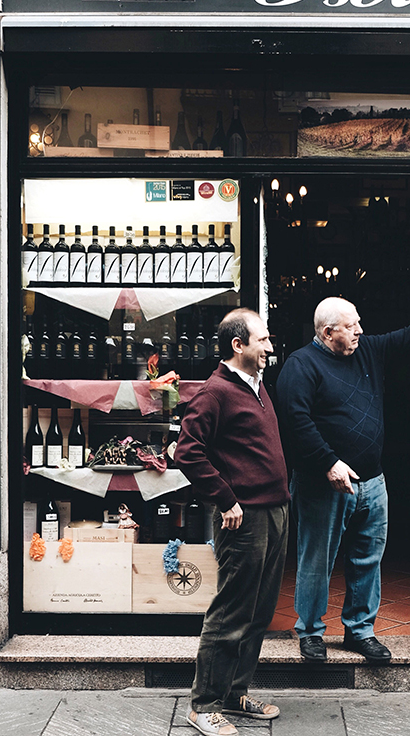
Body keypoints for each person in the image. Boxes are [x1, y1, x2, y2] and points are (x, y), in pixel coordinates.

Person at [277, 286, 410, 665]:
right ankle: (310, 632)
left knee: (368, 558)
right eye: (352, 325)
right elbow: (296, 421)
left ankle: (360, 631)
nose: (361, 330)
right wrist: (329, 462)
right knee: (316, 559)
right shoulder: (301, 365)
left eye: (360, 323)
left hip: (372, 482)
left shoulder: (368, 351)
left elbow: (408, 336)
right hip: (323, 483)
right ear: (328, 333)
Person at [174, 308, 289, 736]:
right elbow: (187, 452)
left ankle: (235, 693)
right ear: (237, 345)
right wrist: (225, 498)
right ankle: (203, 704)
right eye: (263, 340)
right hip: (244, 517)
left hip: (275, 510)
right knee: (231, 612)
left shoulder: (256, 385)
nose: (270, 347)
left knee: (259, 611)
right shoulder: (216, 392)